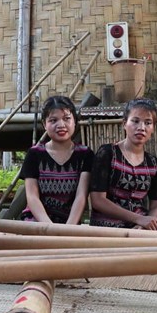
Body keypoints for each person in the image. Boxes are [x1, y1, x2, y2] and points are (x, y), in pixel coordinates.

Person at [90, 97, 157, 230]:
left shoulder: (153, 164)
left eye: (148, 123)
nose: (141, 128)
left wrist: (145, 224)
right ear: (124, 124)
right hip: (107, 224)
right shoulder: (107, 153)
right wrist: (138, 219)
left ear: (153, 128)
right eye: (135, 121)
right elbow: (98, 200)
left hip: (141, 225)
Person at [20, 95, 94, 224]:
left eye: (67, 119)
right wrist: (48, 226)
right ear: (44, 124)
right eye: (53, 120)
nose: (61, 125)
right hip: (37, 220)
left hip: (69, 221)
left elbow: (81, 196)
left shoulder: (85, 154)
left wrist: (68, 228)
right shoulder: (34, 154)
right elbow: (32, 196)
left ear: (74, 121)